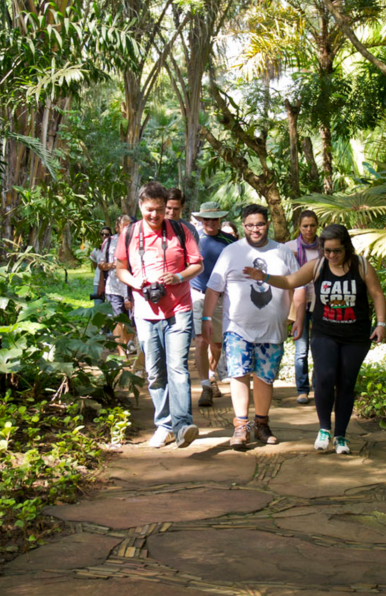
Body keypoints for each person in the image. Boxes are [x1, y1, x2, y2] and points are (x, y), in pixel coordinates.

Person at [244, 223, 386, 455]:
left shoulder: (361, 266)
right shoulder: (318, 266)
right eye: (327, 251)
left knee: (346, 384)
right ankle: (324, 429)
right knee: (324, 377)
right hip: (325, 333)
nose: (332, 256)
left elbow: (377, 294)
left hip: (355, 336)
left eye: (337, 251)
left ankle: (340, 435)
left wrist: (381, 323)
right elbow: (290, 282)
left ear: (347, 248)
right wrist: (264, 276)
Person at [202, 204, 303, 450]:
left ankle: (261, 423)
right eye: (249, 225)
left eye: (259, 224)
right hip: (237, 327)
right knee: (238, 373)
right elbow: (214, 287)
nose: (255, 229)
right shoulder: (231, 251)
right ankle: (241, 426)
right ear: (243, 226)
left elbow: (298, 285)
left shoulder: (282, 252)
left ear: (267, 224)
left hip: (272, 328)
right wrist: (206, 319)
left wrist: (298, 317)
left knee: (265, 377)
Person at [116, 181, 203, 449]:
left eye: (160, 209)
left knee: (177, 367)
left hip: (178, 308)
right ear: (140, 206)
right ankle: (163, 425)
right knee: (154, 371)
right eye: (149, 209)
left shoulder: (181, 230)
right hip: (145, 311)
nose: (154, 215)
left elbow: (197, 265)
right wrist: (136, 282)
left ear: (167, 208)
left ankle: (182, 424)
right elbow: (120, 267)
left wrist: (177, 276)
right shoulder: (129, 233)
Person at [189, 201, 236, 407]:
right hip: (197, 294)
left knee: (216, 344)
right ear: (201, 220)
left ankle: (211, 373)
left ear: (220, 219)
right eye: (206, 218)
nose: (210, 222)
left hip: (220, 297)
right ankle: (205, 386)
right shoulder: (193, 238)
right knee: (200, 340)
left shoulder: (230, 241)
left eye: (214, 219)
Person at [285, 210, 321, 405]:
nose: (309, 229)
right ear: (299, 227)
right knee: (301, 348)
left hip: (320, 303)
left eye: (312, 225)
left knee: (319, 347)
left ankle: (318, 385)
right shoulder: (289, 248)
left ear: (317, 226)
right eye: (305, 226)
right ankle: (302, 389)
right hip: (297, 303)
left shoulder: (324, 248)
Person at [99, 216, 132, 356]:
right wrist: (114, 265)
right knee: (117, 319)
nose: (126, 228)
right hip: (114, 287)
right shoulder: (109, 242)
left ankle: (127, 343)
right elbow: (101, 264)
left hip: (132, 287)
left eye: (129, 225)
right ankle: (122, 350)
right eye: (123, 225)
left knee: (132, 321)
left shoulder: (137, 240)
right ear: (117, 227)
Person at [90, 225, 112, 306]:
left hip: (110, 282)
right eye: (102, 234)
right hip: (98, 282)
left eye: (106, 234)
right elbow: (94, 263)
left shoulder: (113, 248)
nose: (104, 236)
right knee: (98, 307)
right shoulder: (96, 249)